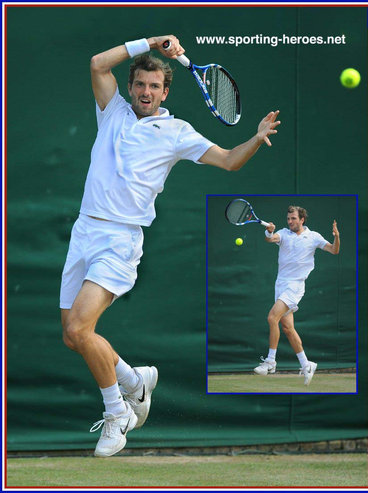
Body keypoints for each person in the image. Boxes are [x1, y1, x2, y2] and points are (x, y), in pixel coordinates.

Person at [60, 34, 281, 458]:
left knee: (78, 328)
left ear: (166, 91)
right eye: (140, 84)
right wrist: (148, 42)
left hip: (120, 240)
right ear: (131, 87)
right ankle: (133, 379)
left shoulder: (177, 132)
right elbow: (96, 62)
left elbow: (230, 160)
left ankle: (117, 413)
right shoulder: (112, 113)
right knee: (74, 337)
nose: (146, 92)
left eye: (154, 87)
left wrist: (255, 137)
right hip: (84, 232)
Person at [253, 205, 340, 385]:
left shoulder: (313, 236)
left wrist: (337, 237)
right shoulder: (284, 233)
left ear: (302, 219)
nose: (290, 222)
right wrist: (269, 232)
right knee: (288, 329)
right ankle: (306, 364)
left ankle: (270, 361)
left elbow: (334, 250)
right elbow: (271, 239)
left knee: (271, 318)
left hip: (295, 286)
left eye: (293, 218)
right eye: (288, 219)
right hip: (281, 284)